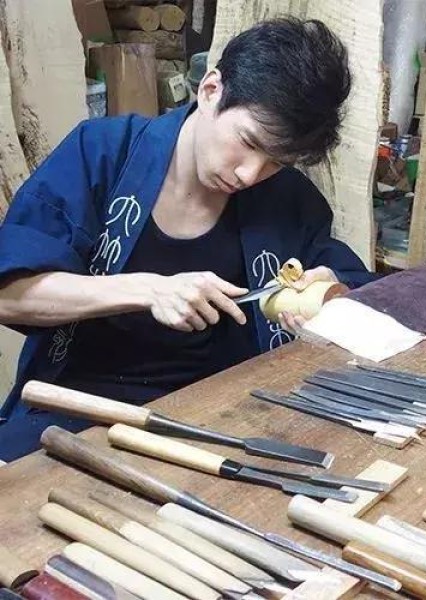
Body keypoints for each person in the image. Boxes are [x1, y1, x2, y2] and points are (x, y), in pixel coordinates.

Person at [0, 18, 374, 461]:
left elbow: (358, 288)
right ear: (211, 90)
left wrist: (326, 296)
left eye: (276, 161)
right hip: (77, 406)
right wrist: (149, 288)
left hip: (222, 410)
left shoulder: (287, 197)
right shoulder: (101, 153)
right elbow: (10, 295)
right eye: (248, 142)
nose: (250, 175)